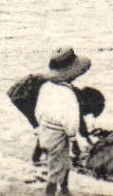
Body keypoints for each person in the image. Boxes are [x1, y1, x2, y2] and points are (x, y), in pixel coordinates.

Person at [35, 48, 94, 196]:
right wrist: (74, 139)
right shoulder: (68, 94)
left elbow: (38, 112)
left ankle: (64, 189)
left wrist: (44, 125)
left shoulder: (45, 87)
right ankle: (51, 192)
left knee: (59, 162)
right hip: (59, 133)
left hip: (45, 130)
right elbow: (71, 121)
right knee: (58, 167)